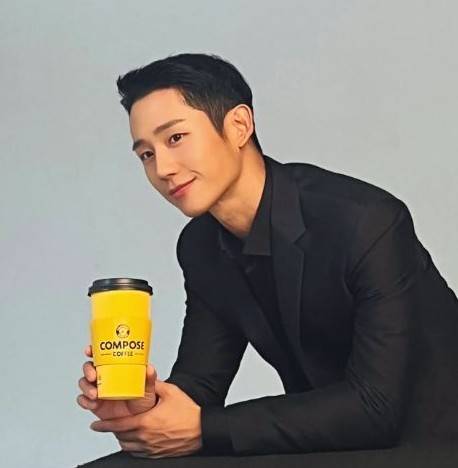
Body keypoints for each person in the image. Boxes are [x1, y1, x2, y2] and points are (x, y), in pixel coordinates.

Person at [76, 53, 458, 460]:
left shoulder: (366, 221)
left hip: (429, 440)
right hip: (323, 442)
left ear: (239, 126)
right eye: (146, 155)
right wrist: (146, 406)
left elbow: (376, 407)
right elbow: (201, 385)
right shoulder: (200, 245)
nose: (163, 168)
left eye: (175, 138)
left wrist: (204, 427)